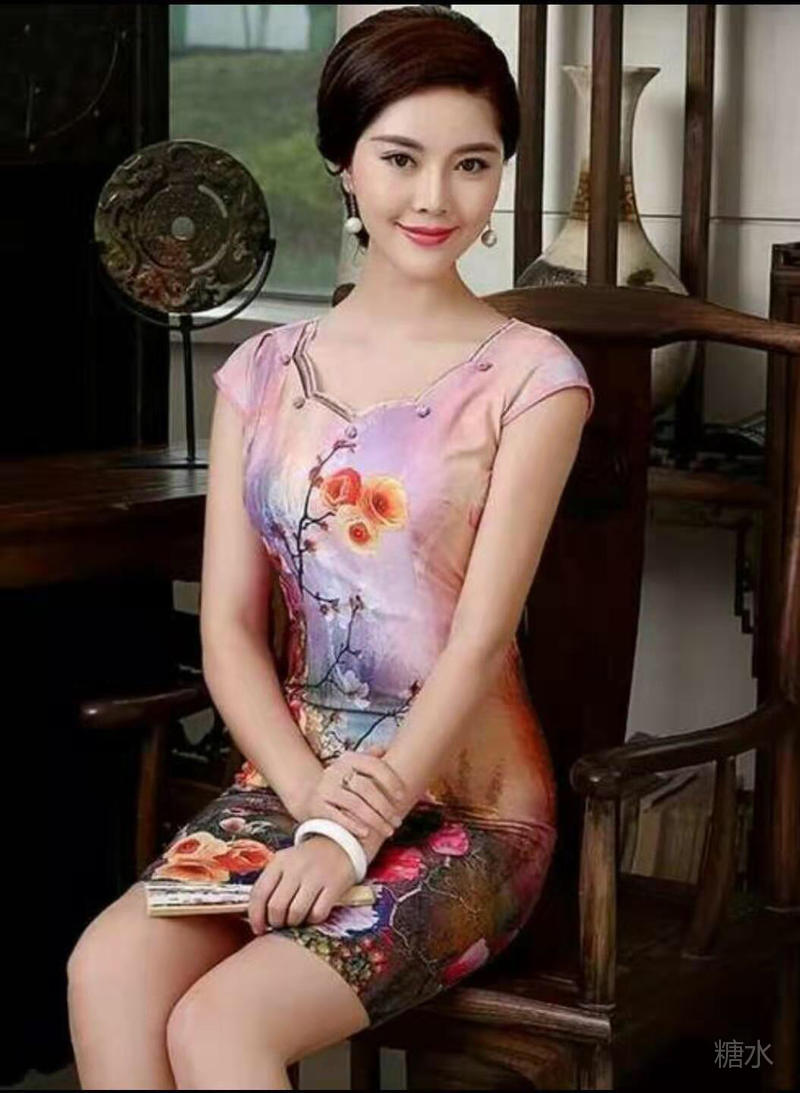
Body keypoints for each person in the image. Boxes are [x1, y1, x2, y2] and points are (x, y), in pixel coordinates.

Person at [66, 5, 595, 1088]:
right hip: (291, 783)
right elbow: (227, 629)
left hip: (470, 808)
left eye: (471, 163)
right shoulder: (262, 372)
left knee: (220, 1026)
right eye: (400, 158)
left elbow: (479, 641)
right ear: (344, 164)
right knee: (105, 970)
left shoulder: (533, 377)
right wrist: (310, 800)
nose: (434, 197)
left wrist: (351, 835)